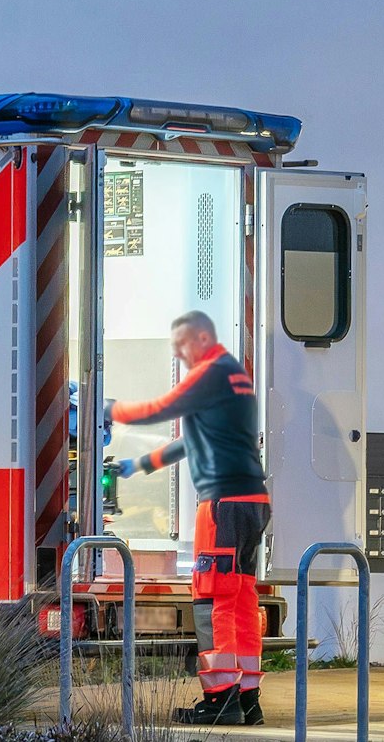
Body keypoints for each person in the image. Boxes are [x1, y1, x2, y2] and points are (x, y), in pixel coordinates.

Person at [108, 311, 269, 726]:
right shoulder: (233, 377)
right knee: (241, 598)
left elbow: (160, 409)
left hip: (222, 505)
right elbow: (189, 442)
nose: (178, 354)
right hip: (251, 501)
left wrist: (109, 409)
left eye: (182, 344)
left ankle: (220, 699)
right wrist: (138, 465)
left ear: (202, 338)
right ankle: (247, 699)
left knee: (213, 598)